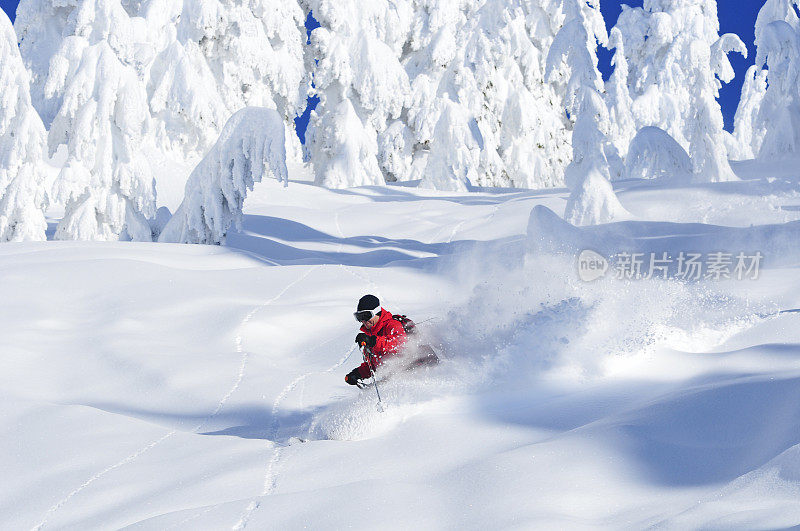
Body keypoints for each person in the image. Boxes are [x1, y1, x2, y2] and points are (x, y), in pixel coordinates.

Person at [345, 294, 407, 386]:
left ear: (377, 312)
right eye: (359, 317)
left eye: (366, 315)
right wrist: (358, 373)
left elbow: (401, 345)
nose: (363, 321)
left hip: (414, 372)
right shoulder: (370, 335)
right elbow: (375, 364)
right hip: (393, 379)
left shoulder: (392, 325)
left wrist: (373, 341)